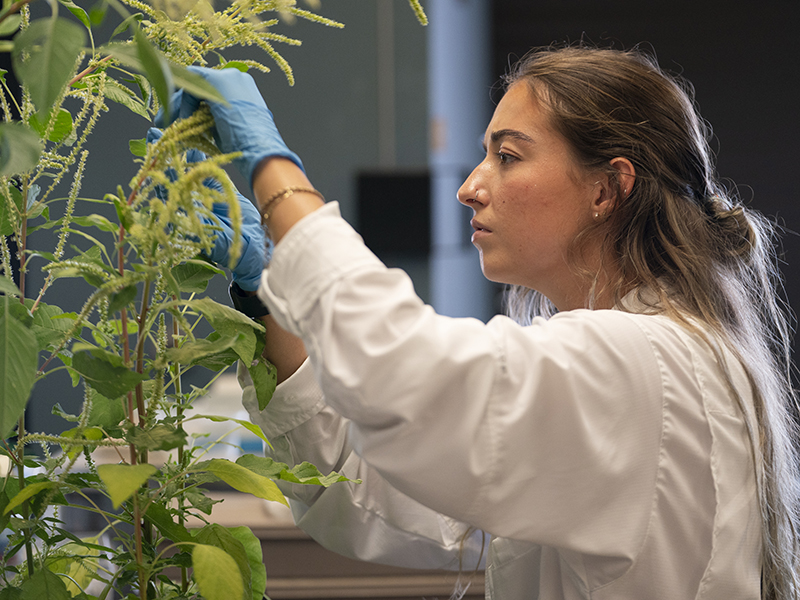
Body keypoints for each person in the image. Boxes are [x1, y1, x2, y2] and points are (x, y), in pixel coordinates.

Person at [158, 45, 800, 599]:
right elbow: (368, 496)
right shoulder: (642, 357)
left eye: (509, 157)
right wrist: (269, 291)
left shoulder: (645, 363)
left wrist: (274, 174)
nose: (471, 186)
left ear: (607, 190)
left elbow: (401, 372)